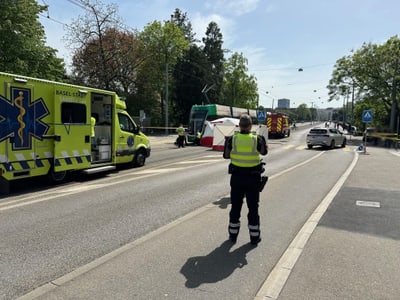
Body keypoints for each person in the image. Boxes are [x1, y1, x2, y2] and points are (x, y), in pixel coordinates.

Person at [223, 114, 268, 245]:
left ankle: (233, 236)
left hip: (236, 179)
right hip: (253, 179)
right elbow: (264, 152)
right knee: (253, 208)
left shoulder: (232, 139)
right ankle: (254, 237)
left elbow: (226, 156)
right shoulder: (257, 138)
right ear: (250, 126)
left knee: (235, 207)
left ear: (239, 126)